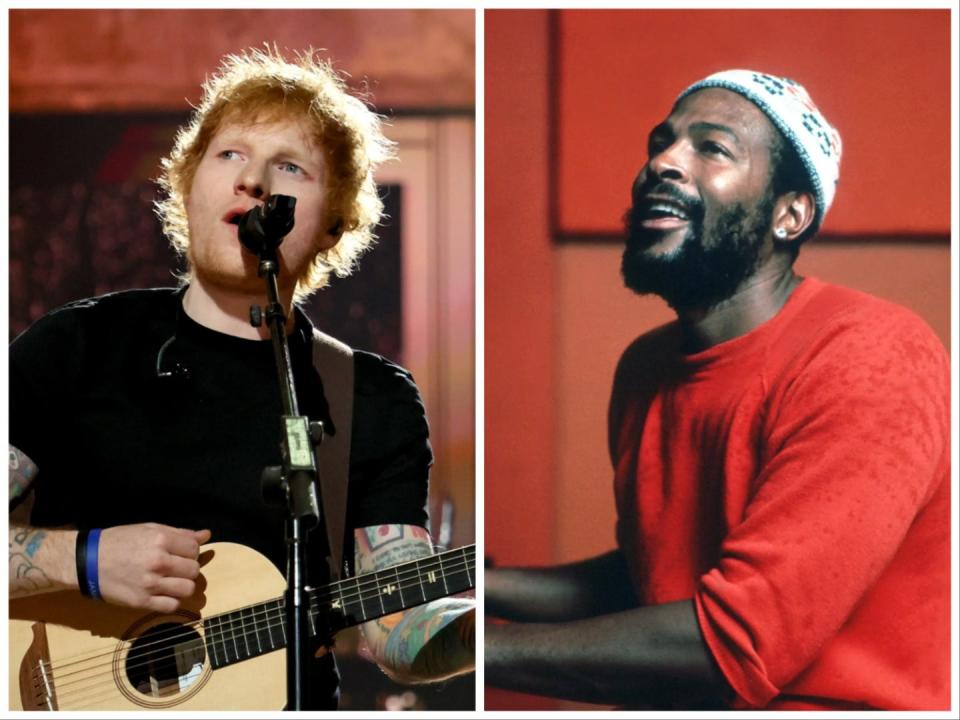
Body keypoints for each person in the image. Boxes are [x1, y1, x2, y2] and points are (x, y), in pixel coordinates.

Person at [9, 47, 474, 710]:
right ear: (188, 183)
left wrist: (480, 618)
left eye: (290, 166)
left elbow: (397, 625)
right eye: (229, 155)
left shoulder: (371, 398)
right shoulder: (75, 346)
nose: (253, 181)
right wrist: (81, 560)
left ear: (334, 222)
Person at [485, 70, 950, 710]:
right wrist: (470, 585)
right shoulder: (646, 369)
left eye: (712, 148)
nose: (663, 164)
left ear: (790, 215)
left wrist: (468, 647)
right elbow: (657, 579)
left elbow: (737, 640)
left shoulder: (871, 353)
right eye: (661, 142)